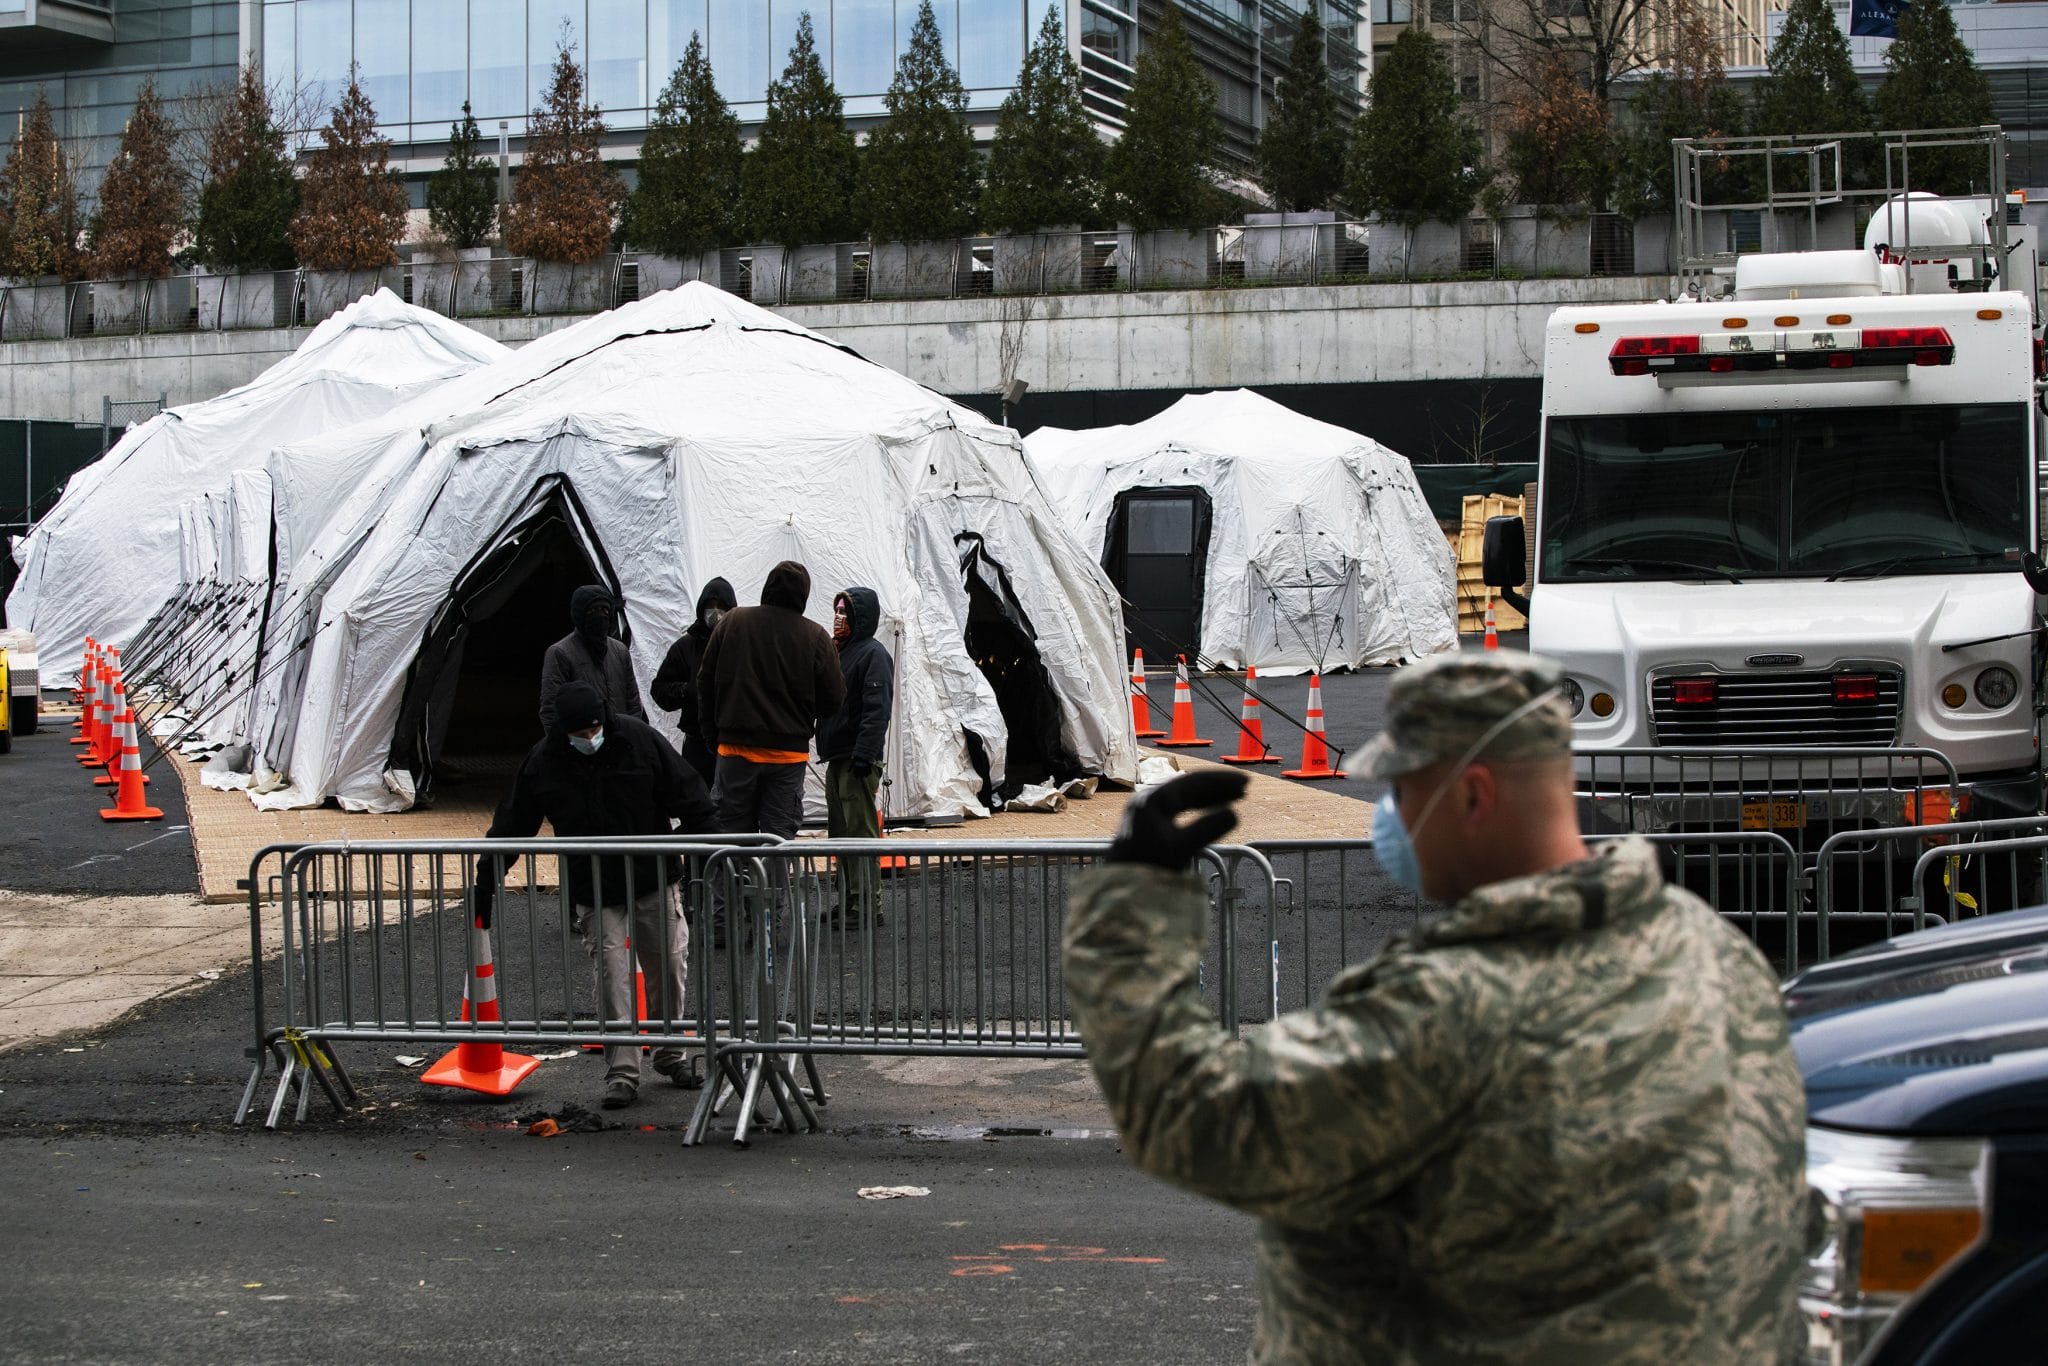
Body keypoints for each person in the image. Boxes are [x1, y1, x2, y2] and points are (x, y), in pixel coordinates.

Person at [1062, 653, 1807, 1364]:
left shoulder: (1454, 1004)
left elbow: (1191, 1116)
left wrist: (1133, 907)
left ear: (1474, 795)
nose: (1385, 814)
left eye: (1401, 791)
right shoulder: (1715, 953)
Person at [474, 681, 715, 1110]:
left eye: (594, 731)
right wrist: (488, 874)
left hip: (653, 875)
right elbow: (514, 821)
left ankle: (669, 1052)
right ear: (562, 733)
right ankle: (622, 1073)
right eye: (580, 735)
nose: (590, 740)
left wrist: (707, 841)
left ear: (604, 720)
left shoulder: (637, 738)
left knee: (670, 964)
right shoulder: (544, 760)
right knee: (610, 975)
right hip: (595, 886)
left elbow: (688, 792)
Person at [695, 561, 844, 946]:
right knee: (777, 847)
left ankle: (722, 927)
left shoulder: (733, 623)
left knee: (728, 843)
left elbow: (705, 681)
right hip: (786, 759)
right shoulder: (815, 636)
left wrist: (714, 735)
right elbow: (833, 699)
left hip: (735, 752)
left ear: (766, 587)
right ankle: (770, 931)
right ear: (804, 596)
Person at [815, 587, 895, 927]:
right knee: (841, 834)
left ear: (860, 617)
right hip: (837, 757)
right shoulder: (841, 652)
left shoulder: (872, 654)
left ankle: (866, 907)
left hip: (856, 760)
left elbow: (877, 710)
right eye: (836, 610)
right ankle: (848, 901)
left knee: (861, 835)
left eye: (845, 612)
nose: (838, 617)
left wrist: (865, 753)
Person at [650, 576, 737, 786]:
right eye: (710, 606)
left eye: (720, 606)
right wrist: (687, 691)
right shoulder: (685, 647)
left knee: (734, 808)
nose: (715, 612)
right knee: (699, 806)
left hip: (734, 743)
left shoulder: (740, 644)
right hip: (697, 745)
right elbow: (659, 690)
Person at [539, 584, 646, 732]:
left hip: (619, 742)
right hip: (583, 742)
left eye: (605, 610)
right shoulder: (560, 653)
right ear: (580, 614)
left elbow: (633, 702)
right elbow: (551, 710)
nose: (600, 616)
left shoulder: (620, 651)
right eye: (593, 610)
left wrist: (632, 735)